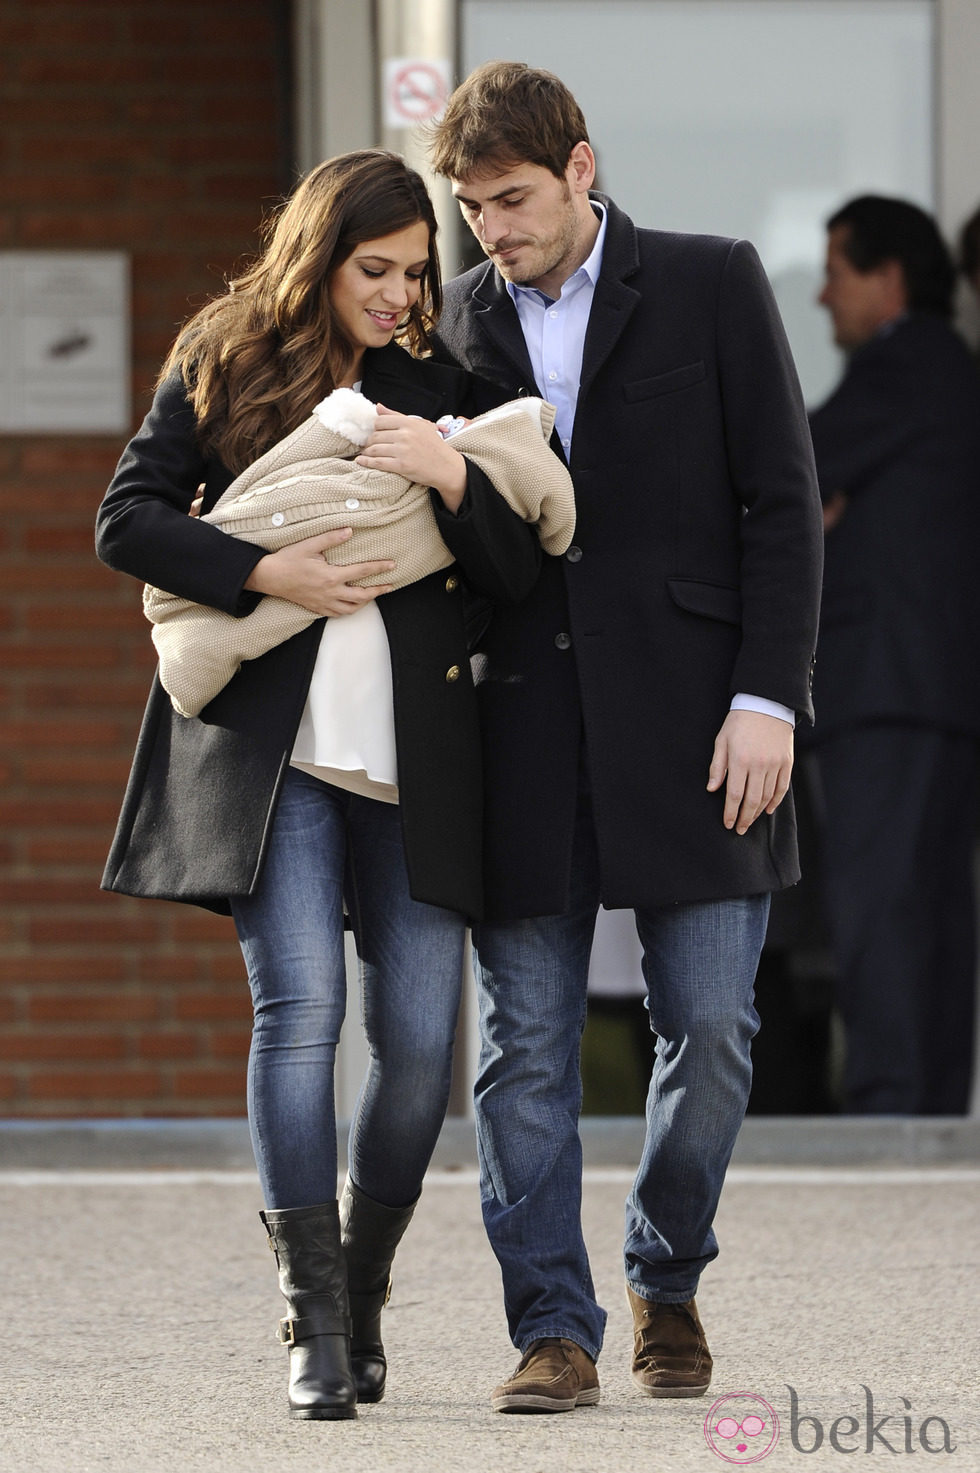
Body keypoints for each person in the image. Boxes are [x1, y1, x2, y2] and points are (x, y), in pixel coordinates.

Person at [94, 149, 543, 1421]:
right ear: (320, 254)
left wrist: (453, 472)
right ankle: (309, 1319)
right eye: (376, 271)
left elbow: (516, 572)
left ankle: (360, 1285)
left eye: (416, 274)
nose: (400, 296)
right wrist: (264, 571)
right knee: (296, 1016)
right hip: (273, 756)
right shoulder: (225, 353)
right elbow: (125, 519)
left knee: (414, 1050)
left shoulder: (444, 380)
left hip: (418, 763)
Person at [427, 62, 824, 1412]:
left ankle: (668, 1270)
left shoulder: (713, 282)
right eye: (474, 207)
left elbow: (782, 503)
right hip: (520, 733)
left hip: (705, 726)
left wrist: (769, 699)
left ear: (582, 169)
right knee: (524, 1043)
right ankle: (554, 1324)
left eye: (516, 198)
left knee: (710, 1025)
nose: (495, 229)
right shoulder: (453, 323)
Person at [807, 194, 980, 1114]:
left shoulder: (906, 363)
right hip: (928, 690)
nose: (824, 296)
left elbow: (789, 463)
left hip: (888, 691)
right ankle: (924, 1113)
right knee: (928, 911)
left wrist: (821, 507)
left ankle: (890, 1118)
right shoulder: (941, 370)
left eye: (837, 271)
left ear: (889, 276)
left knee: (885, 912)